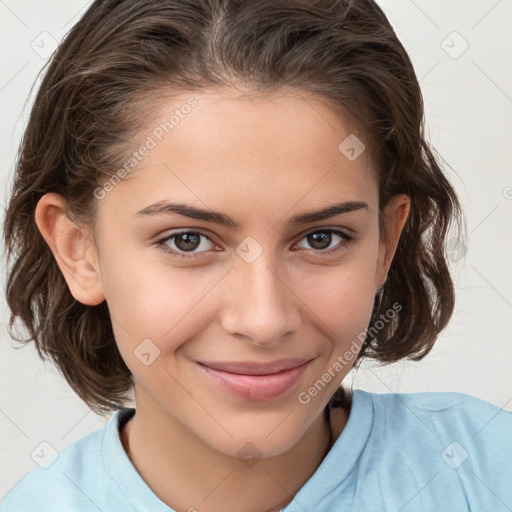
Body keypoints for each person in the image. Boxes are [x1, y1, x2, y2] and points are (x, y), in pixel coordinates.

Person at [1, 0, 511, 510]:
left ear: (385, 242)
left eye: (321, 238)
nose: (264, 321)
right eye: (188, 240)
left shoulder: (486, 468)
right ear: (78, 250)